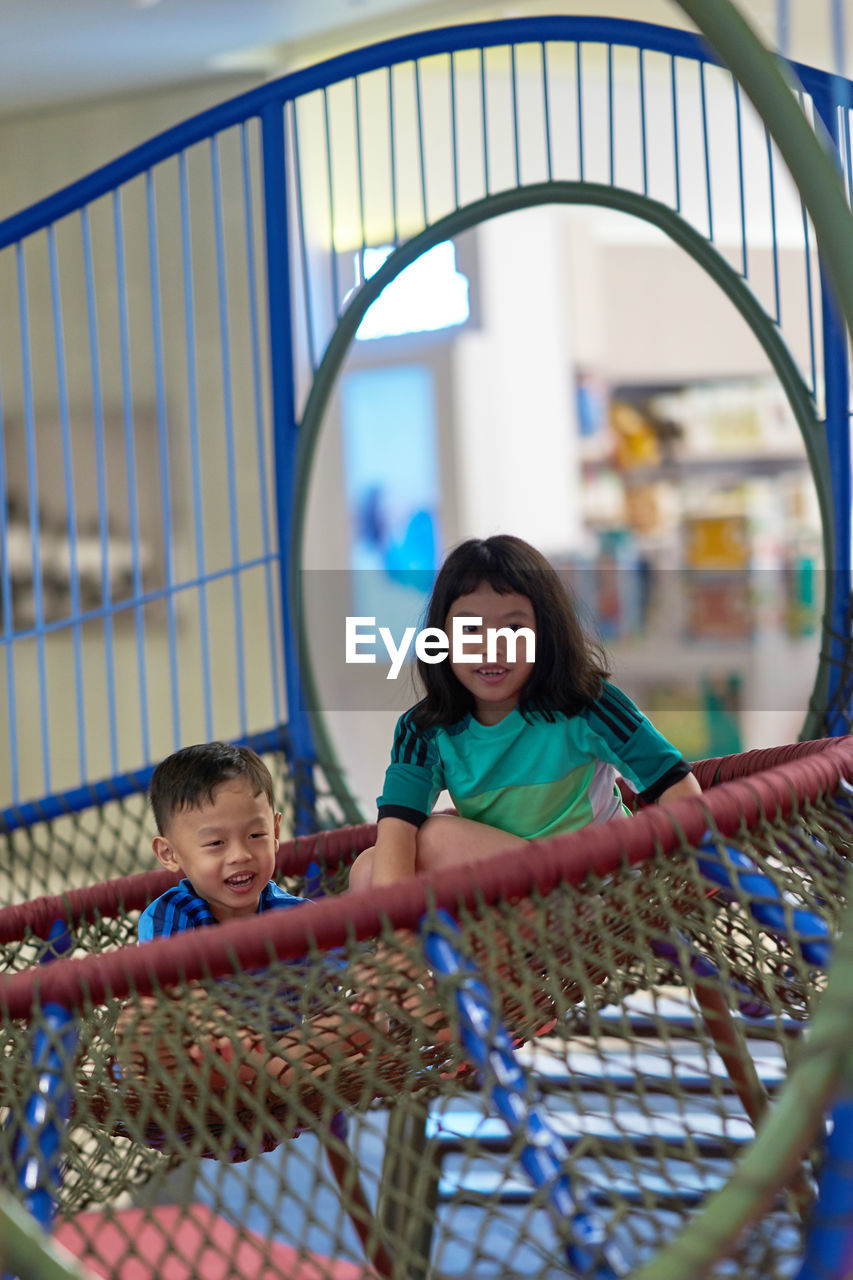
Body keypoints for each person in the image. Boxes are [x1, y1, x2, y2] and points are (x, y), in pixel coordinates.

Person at [349, 534, 702, 892]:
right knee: (367, 870)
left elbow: (674, 785)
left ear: (545, 633)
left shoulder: (586, 704)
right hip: (515, 900)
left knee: (435, 838)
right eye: (470, 629)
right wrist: (398, 937)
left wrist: (678, 883)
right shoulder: (425, 730)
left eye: (514, 629)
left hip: (600, 892)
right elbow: (397, 827)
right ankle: (447, 945)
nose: (491, 648)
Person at [139, 741, 307, 941]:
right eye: (216, 843)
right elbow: (171, 972)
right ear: (170, 854)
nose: (241, 855)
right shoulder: (170, 916)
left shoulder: (298, 915)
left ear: (275, 833)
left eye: (256, 835)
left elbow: (337, 966)